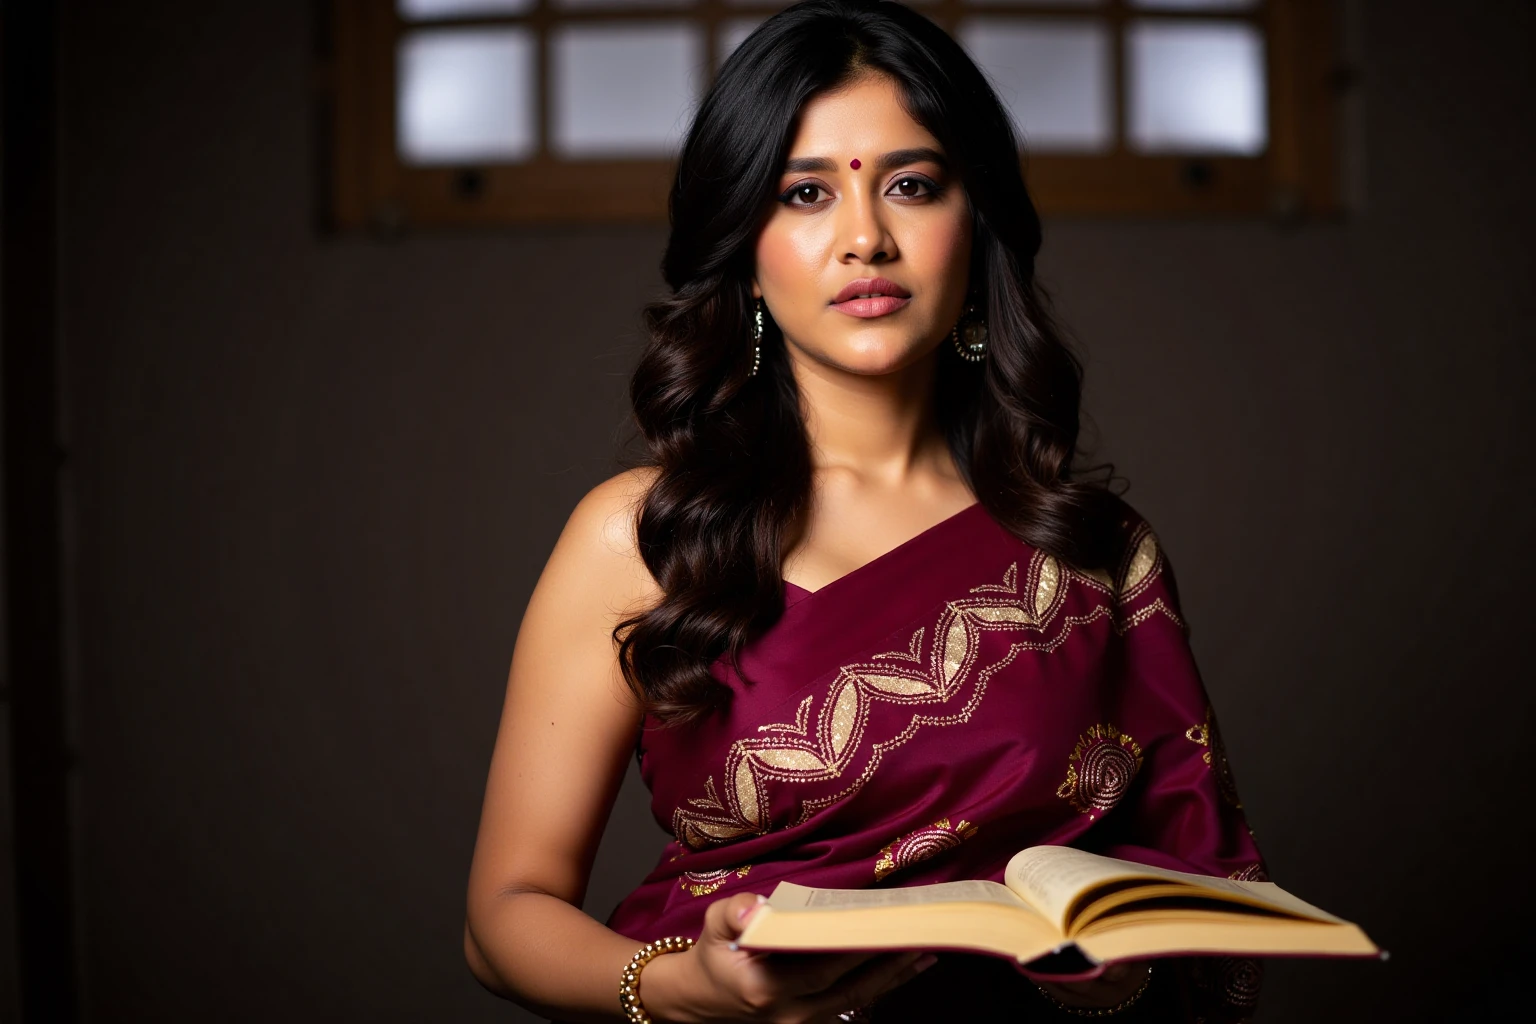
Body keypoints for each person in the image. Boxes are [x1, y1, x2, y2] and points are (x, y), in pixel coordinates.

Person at [464, 1, 1266, 1020]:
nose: (865, 238)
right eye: (804, 193)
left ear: (974, 226)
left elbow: (1197, 890)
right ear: (744, 249)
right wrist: (677, 990)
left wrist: (1130, 970)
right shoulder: (646, 537)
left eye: (913, 185)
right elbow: (503, 914)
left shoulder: (1093, 552)